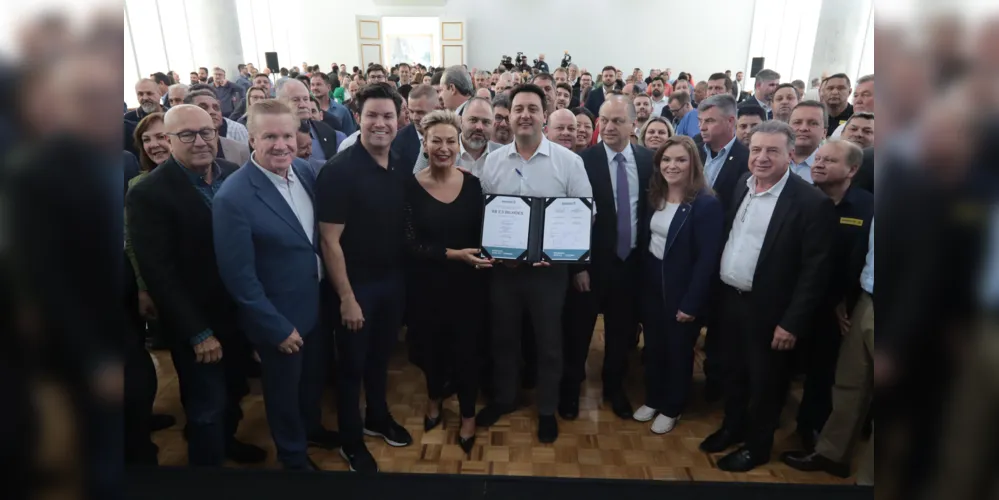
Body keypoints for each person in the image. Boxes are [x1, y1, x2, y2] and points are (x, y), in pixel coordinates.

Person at [126, 104, 266, 467]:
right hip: (198, 323)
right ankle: (207, 473)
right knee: (206, 405)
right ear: (169, 141)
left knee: (235, 391)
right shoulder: (149, 193)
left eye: (207, 132)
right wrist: (198, 333)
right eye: (187, 135)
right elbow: (160, 273)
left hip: (238, 315)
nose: (201, 141)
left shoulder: (233, 173)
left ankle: (228, 443)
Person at [699, 120, 837, 472]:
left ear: (790, 154)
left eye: (772, 151)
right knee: (731, 374)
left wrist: (791, 323)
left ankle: (758, 447)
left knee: (766, 385)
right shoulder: (742, 188)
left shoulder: (810, 203)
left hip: (771, 312)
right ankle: (732, 427)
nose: (761, 157)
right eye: (756, 149)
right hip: (730, 302)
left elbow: (815, 272)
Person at [212, 100, 340, 471]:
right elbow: (239, 277)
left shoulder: (304, 171)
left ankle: (312, 428)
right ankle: (293, 456)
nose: (281, 144)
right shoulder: (232, 198)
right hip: (279, 319)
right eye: (270, 136)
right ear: (252, 138)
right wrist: (275, 328)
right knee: (283, 394)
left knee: (312, 381)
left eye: (287, 135)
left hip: (316, 305)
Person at [476, 84, 593, 443]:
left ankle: (546, 409)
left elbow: (587, 213)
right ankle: (505, 399)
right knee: (504, 339)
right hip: (504, 272)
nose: (525, 115)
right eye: (518, 109)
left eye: (532, 108)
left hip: (549, 274)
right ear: (508, 116)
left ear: (544, 115)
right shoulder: (492, 162)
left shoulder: (569, 162)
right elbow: (483, 214)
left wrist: (559, 252)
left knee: (548, 343)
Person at [317, 84, 413, 473]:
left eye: (388, 116)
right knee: (352, 366)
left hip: (392, 282)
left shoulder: (400, 163)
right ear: (358, 118)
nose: (380, 123)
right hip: (355, 287)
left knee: (379, 358)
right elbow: (329, 240)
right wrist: (346, 297)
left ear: (399, 120)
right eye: (372, 115)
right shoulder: (339, 171)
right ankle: (351, 440)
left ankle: (377, 416)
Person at [405, 110, 491, 459]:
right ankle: (434, 398)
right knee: (431, 350)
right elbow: (407, 244)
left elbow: (486, 235)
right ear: (424, 145)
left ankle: (468, 415)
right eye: (435, 140)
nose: (443, 147)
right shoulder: (409, 188)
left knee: (467, 353)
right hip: (426, 286)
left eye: (449, 141)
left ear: (458, 145)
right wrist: (452, 254)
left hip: (469, 287)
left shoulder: (473, 185)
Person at [561, 98, 652, 421]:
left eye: (617, 121)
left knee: (620, 334)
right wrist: (579, 266)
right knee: (578, 332)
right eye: (605, 121)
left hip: (631, 266)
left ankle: (615, 388)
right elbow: (572, 218)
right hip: (593, 266)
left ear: (632, 124)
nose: (610, 127)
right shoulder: (582, 161)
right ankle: (570, 390)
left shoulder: (648, 160)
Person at [635, 135, 724, 434]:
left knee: (678, 350)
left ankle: (673, 406)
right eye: (667, 160)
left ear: (693, 165)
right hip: (650, 284)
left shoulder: (705, 204)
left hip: (683, 288)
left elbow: (707, 261)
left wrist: (691, 302)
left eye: (680, 160)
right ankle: (654, 398)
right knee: (655, 347)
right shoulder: (655, 195)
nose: (672, 166)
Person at [791, 139, 874, 452]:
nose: (819, 164)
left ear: (852, 169)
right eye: (818, 158)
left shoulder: (869, 207)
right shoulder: (802, 199)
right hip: (798, 300)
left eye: (829, 160)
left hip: (841, 308)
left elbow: (862, 261)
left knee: (826, 372)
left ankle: (813, 427)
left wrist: (842, 301)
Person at [392, 84, 438, 170]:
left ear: (436, 109)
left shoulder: (452, 135)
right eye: (411, 111)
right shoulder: (398, 140)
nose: (414, 117)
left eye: (420, 112)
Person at [788, 101, 827, 184]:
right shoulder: (772, 162)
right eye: (797, 122)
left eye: (813, 123)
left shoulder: (830, 169)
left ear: (824, 132)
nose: (803, 128)